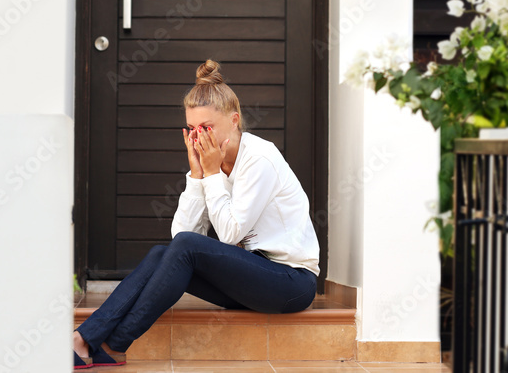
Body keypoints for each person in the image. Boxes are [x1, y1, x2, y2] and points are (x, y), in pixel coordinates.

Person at [72, 59, 321, 369]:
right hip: (253, 278)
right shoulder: (210, 163)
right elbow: (181, 238)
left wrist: (212, 173)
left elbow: (229, 235)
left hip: (291, 283)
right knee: (160, 254)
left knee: (184, 249)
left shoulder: (259, 159)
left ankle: (114, 343)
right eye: (191, 129)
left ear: (234, 120)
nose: (197, 138)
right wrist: (196, 176)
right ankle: (85, 338)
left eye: (206, 128)